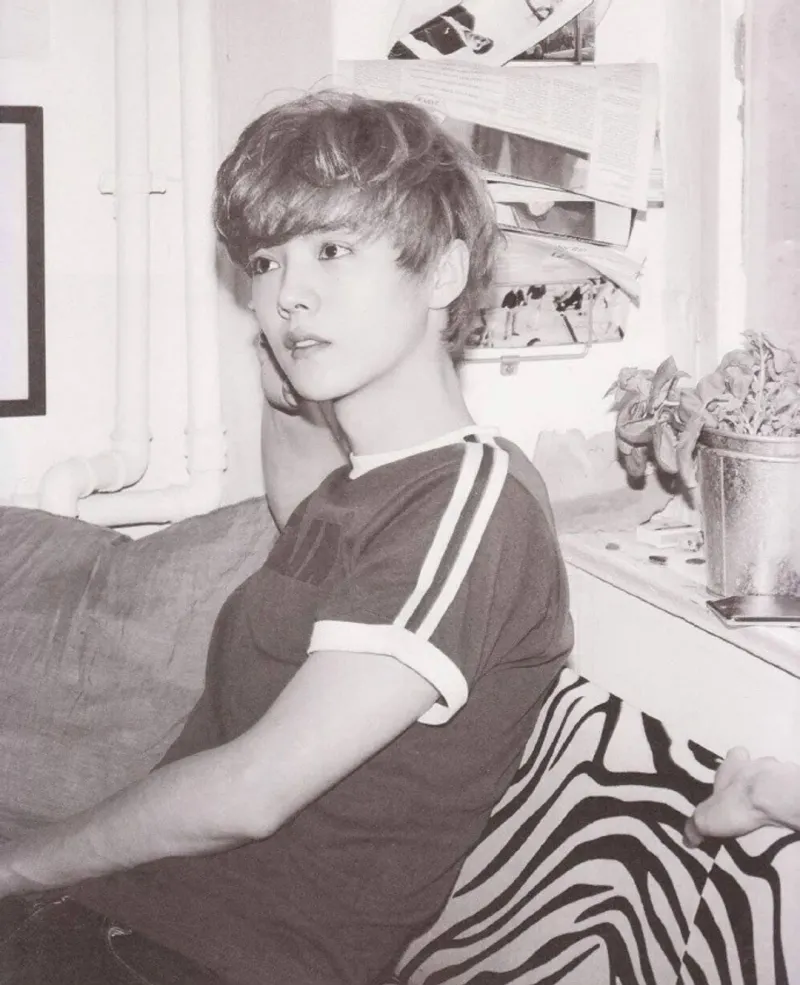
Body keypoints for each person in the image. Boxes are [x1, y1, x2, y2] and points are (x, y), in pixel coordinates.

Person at [0, 90, 573, 985]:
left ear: (442, 274)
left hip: (207, 962)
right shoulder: (362, 488)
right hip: (124, 921)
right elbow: (301, 502)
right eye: (266, 262)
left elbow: (251, 793)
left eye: (332, 250)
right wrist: (289, 387)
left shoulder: (473, 501)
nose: (287, 296)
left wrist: (16, 864)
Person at [685, 747, 800, 847]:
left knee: (758, 777)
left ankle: (737, 778)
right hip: (760, 795)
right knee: (705, 822)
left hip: (765, 778)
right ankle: (728, 795)